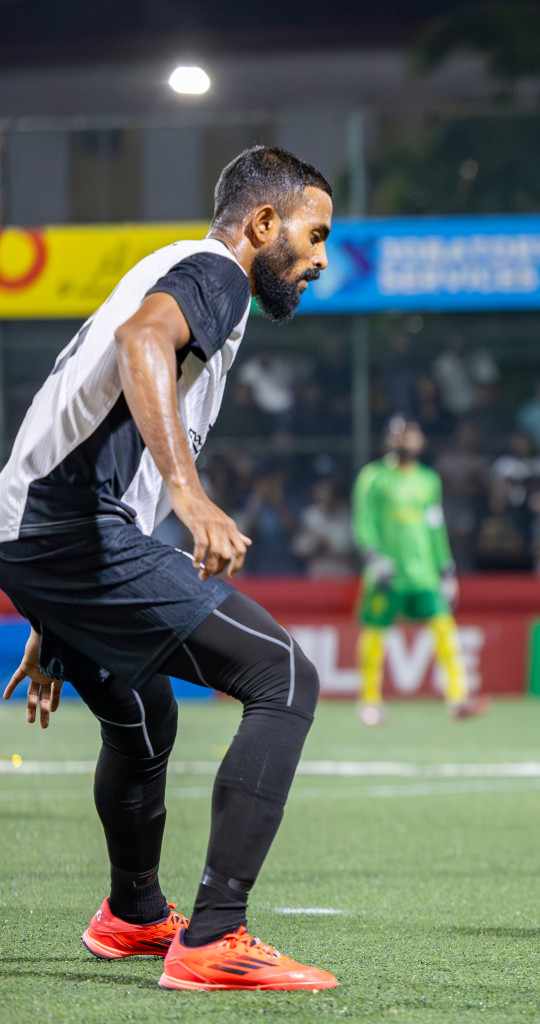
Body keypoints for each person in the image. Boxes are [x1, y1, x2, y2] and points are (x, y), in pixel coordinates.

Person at [0, 146, 337, 990]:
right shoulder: (215, 272)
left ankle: (134, 916)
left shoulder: (192, 279)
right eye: (315, 234)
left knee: (144, 713)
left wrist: (57, 614)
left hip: (43, 536)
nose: (322, 259)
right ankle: (216, 937)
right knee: (284, 676)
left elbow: (87, 421)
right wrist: (192, 498)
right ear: (263, 224)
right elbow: (140, 340)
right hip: (66, 529)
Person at [352, 416, 488, 724]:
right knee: (375, 636)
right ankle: (370, 702)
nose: (406, 441)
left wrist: (446, 568)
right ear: (389, 440)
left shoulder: (429, 479)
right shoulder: (373, 477)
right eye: (400, 436)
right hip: (388, 572)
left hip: (424, 571)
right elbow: (364, 519)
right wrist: (374, 557)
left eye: (412, 435)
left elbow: (435, 527)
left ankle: (458, 699)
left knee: (446, 633)